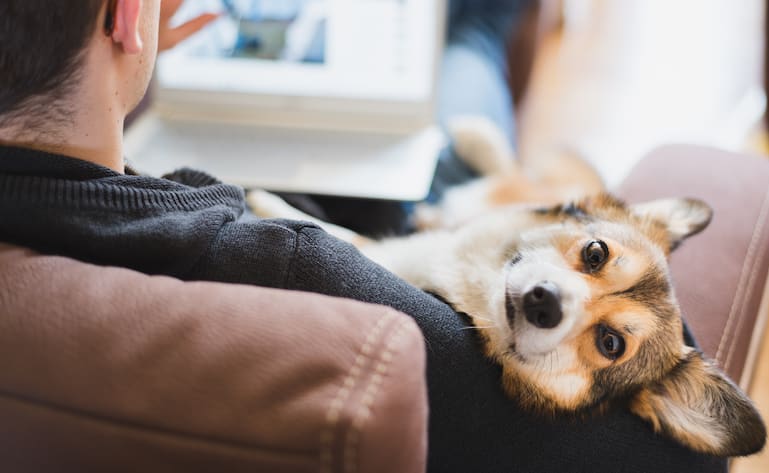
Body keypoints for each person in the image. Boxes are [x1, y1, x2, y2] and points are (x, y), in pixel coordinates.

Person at [0, 1, 726, 471]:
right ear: (127, 17)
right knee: (468, 54)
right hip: (396, 243)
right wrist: (626, 245)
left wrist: (130, 70)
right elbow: (692, 461)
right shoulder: (296, 275)